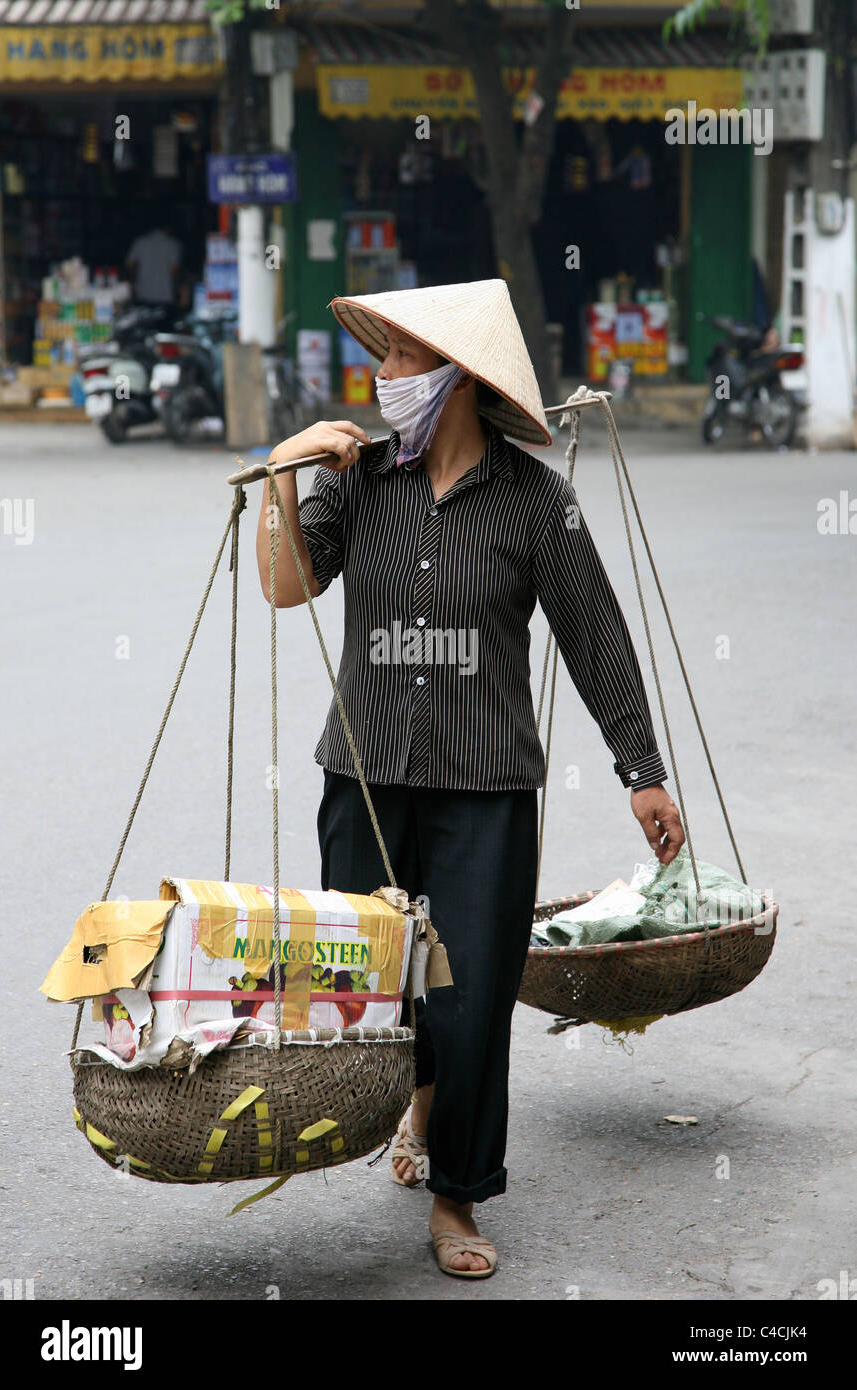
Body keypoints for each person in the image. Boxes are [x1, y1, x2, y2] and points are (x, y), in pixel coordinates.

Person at [255, 279, 685, 1280]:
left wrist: (641, 770)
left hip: (485, 783)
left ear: (453, 378)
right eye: (386, 357)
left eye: (401, 359)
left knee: (472, 995)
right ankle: (413, 1103)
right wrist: (285, 471)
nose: (383, 375)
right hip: (363, 774)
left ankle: (456, 1193)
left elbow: (594, 634)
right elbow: (285, 585)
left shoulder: (535, 499)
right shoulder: (355, 480)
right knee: (380, 987)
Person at [124, 221, 182, 307]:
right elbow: (174, 270)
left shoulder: (140, 242)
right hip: (165, 295)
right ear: (168, 228)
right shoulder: (173, 244)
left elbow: (129, 264)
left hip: (142, 293)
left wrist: (134, 282)